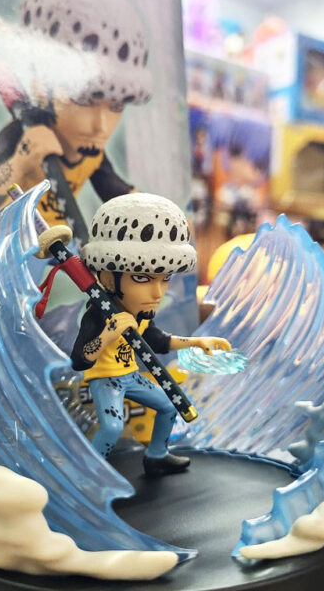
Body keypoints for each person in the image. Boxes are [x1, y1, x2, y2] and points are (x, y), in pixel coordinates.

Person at [0, 0, 152, 244]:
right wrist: (23, 157)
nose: (101, 126)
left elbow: (114, 190)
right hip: (14, 244)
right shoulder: (21, 132)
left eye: (116, 106)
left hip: (60, 249)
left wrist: (154, 215)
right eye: (84, 100)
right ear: (41, 84)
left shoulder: (92, 153)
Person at [70, 194, 231, 476]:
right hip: (106, 380)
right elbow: (80, 360)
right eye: (142, 278)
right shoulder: (99, 315)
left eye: (164, 278)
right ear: (107, 277)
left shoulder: (141, 313)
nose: (157, 293)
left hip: (130, 376)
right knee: (111, 427)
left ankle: (157, 455)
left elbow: (157, 340)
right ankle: (90, 475)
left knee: (169, 406)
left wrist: (197, 342)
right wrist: (108, 334)